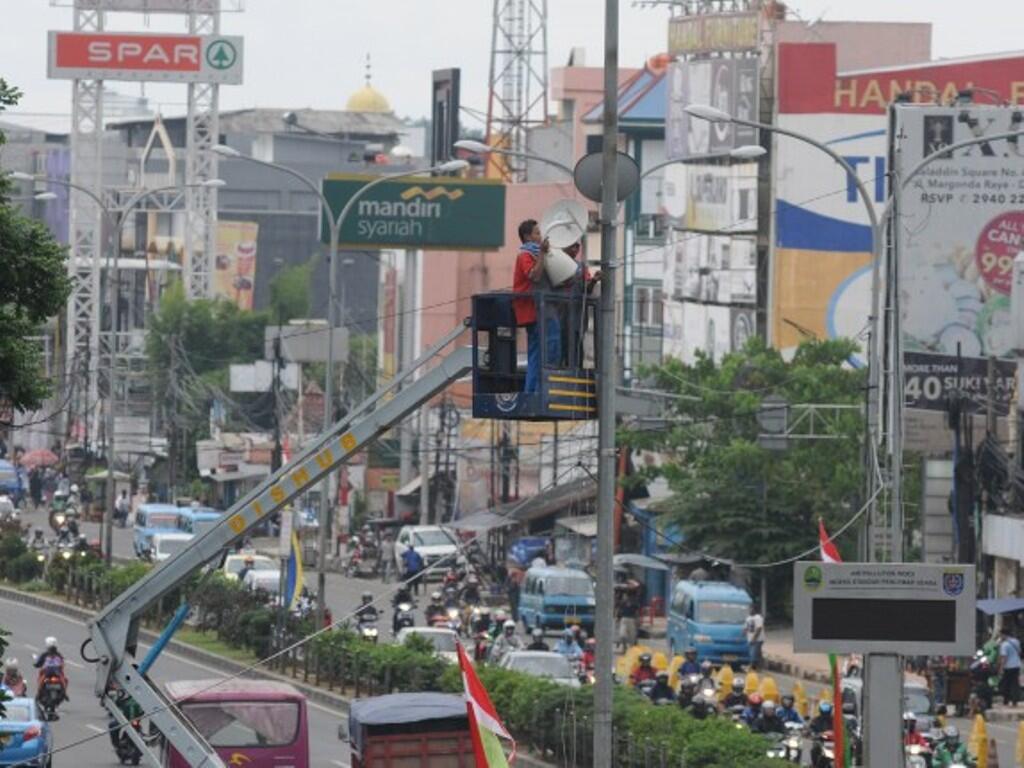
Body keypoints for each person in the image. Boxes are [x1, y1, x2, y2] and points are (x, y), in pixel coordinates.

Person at [511, 219, 559, 394]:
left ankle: (535, 390)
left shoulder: (537, 254)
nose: (540, 236)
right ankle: (534, 391)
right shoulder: (525, 255)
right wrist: (542, 254)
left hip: (542, 310)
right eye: (537, 233)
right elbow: (534, 276)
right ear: (527, 237)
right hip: (535, 310)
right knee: (542, 352)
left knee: (539, 352)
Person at [998, 625, 1021, 706]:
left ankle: (1006, 700)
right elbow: (1019, 652)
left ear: (1004, 634)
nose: (1000, 637)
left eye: (1000, 635)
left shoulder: (1004, 645)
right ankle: (1015, 701)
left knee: (1006, 683)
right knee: (1015, 683)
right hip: (1017, 665)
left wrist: (1001, 668)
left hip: (1008, 666)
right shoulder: (1016, 641)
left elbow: (1004, 657)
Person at [745, 603, 765, 671]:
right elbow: (746, 628)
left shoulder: (758, 617)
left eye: (751, 608)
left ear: (754, 609)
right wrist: (741, 636)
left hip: (758, 639)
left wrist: (754, 639)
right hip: (750, 639)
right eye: (749, 608)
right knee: (757, 653)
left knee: (753, 653)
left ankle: (751, 667)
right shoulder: (748, 618)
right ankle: (759, 666)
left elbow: (759, 629)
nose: (749, 610)